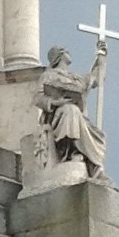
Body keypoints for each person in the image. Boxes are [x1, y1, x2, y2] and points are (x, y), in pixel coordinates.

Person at [38, 44, 106, 179]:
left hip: (79, 117)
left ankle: (94, 164)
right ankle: (69, 153)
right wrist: (55, 102)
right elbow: (38, 97)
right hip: (58, 114)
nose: (69, 53)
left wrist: (101, 58)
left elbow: (96, 79)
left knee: (96, 133)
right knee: (70, 110)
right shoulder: (48, 75)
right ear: (60, 56)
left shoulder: (75, 78)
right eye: (65, 51)